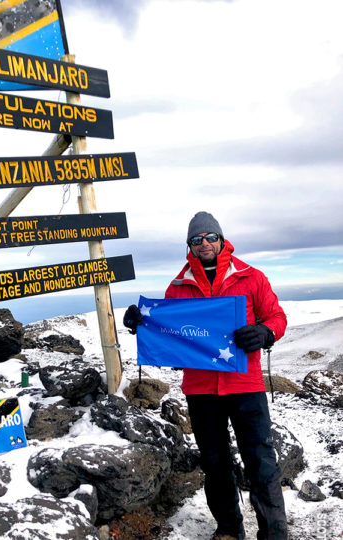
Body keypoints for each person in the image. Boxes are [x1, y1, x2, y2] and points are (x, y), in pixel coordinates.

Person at [123, 211, 288, 540]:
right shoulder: (178, 286)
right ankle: (228, 528)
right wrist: (140, 325)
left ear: (222, 240)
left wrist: (264, 332)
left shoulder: (251, 277)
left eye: (210, 237)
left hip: (245, 385)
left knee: (261, 461)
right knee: (215, 463)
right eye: (197, 240)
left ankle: (274, 533)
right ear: (190, 246)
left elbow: (277, 316)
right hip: (200, 390)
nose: (205, 244)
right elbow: (170, 332)